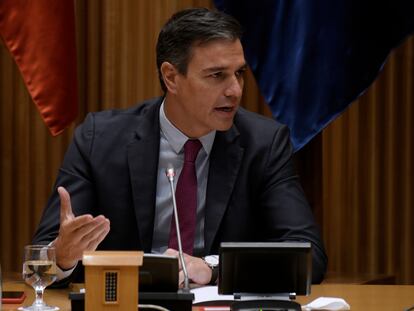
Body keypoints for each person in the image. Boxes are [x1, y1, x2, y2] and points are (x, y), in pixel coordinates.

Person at [32, 7, 327, 286]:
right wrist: (63, 257)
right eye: (216, 75)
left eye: (239, 73)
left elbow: (308, 255)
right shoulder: (99, 140)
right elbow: (41, 259)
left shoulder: (264, 144)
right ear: (171, 77)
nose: (235, 90)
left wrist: (212, 268)